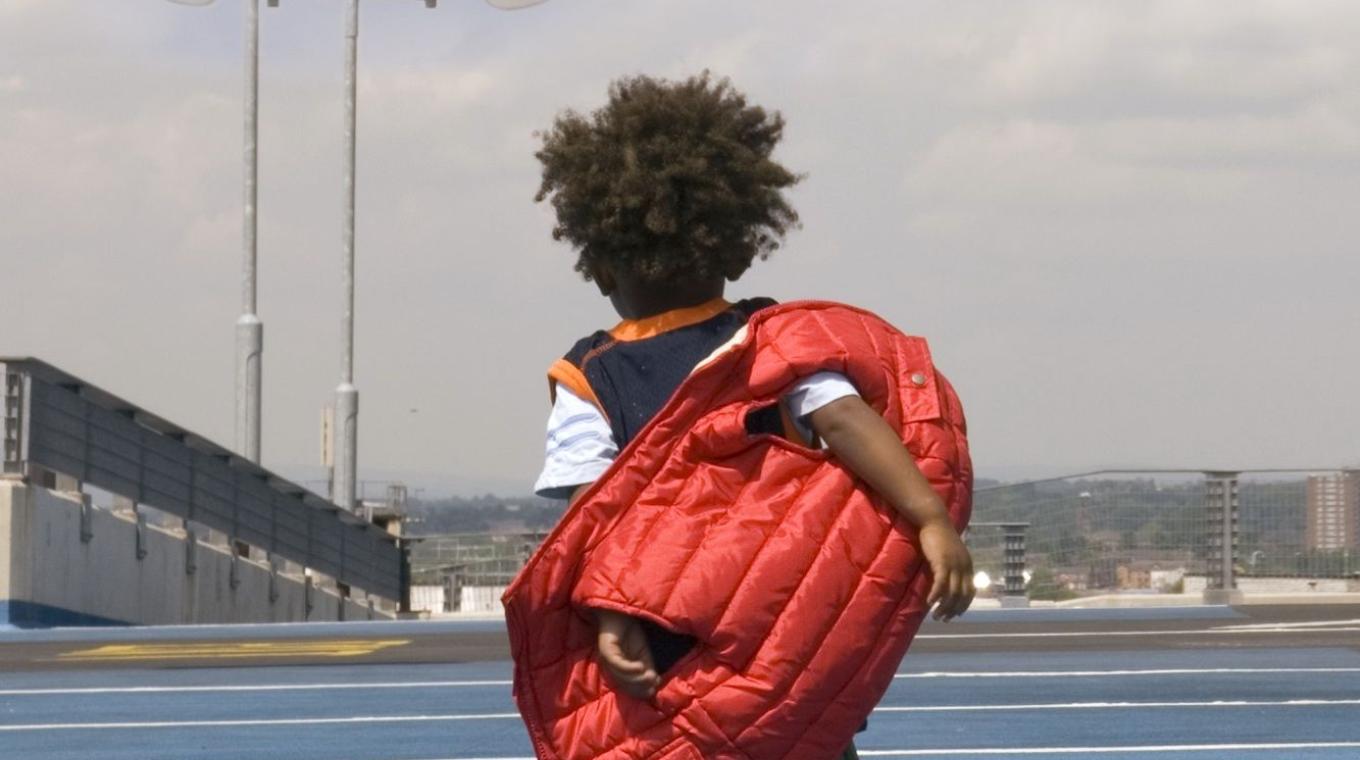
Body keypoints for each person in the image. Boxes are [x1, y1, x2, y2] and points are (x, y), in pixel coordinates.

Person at [531, 72, 974, 760]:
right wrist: (930, 517)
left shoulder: (587, 378)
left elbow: (593, 511)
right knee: (809, 735)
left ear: (601, 269)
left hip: (670, 631)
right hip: (788, 623)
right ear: (739, 247)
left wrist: (612, 611)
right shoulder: (777, 341)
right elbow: (849, 421)